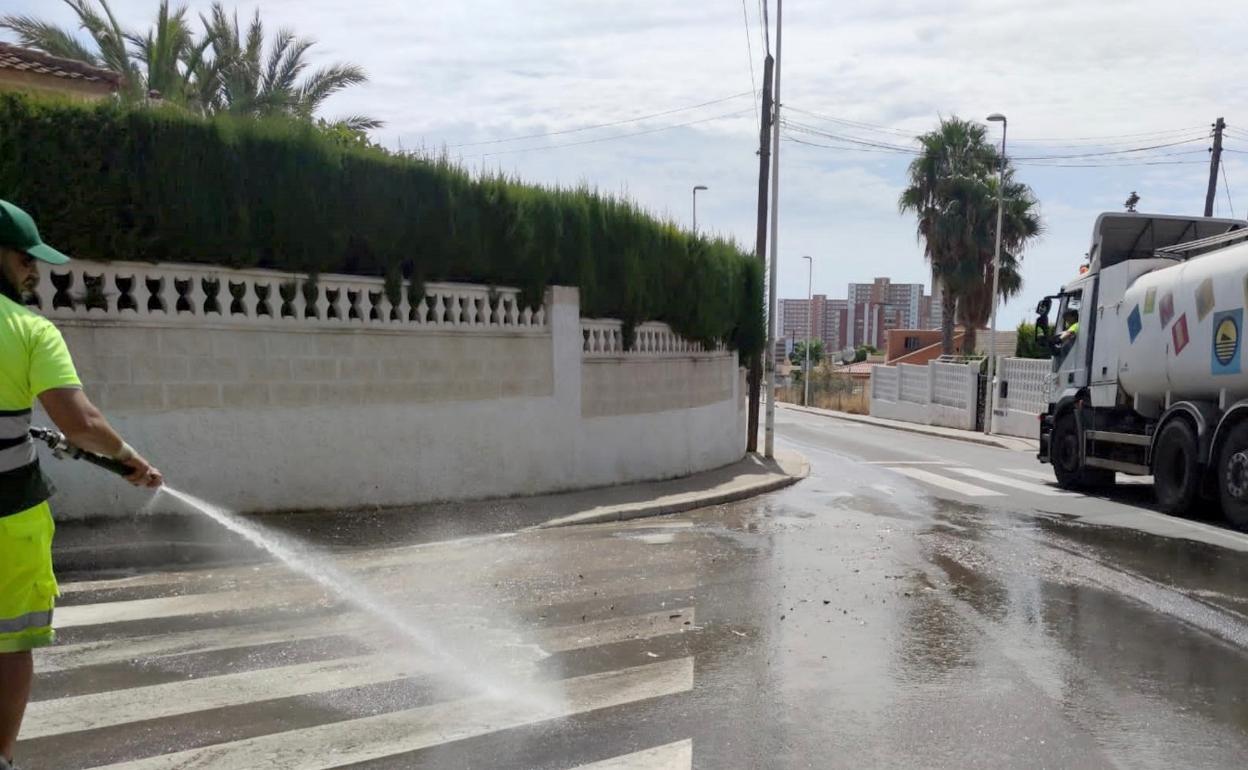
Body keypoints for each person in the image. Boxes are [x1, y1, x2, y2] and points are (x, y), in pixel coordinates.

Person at [0, 199, 162, 770]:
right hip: (7, 516)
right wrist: (128, 458)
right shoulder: (26, 329)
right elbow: (80, 423)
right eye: (25, 258)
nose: (33, 272)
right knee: (10, 642)